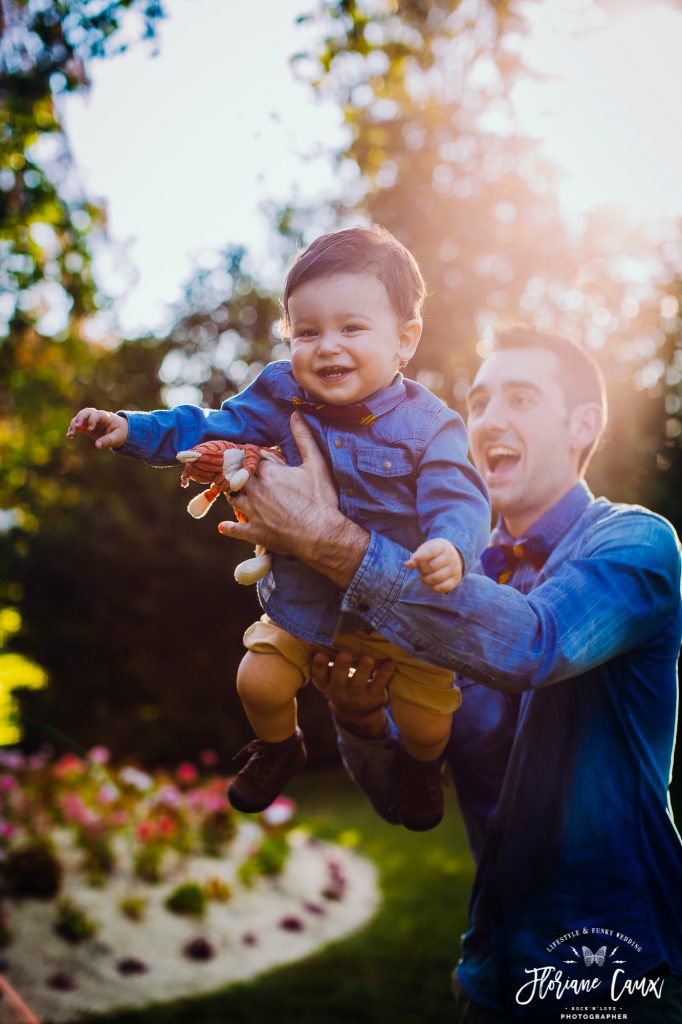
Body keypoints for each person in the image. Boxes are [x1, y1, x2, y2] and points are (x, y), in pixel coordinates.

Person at [217, 326, 682, 1020]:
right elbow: (405, 804)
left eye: (521, 398)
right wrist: (359, 718)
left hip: (617, 974)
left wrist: (325, 538)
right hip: (489, 977)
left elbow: (533, 645)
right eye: (481, 400)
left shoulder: (636, 544)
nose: (490, 418)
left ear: (583, 425)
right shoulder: (432, 575)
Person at [66, 225, 490, 830]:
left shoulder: (430, 425)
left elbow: (460, 496)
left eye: (352, 328)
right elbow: (211, 427)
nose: (326, 347)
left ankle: (422, 768)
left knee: (427, 723)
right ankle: (280, 746)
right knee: (258, 683)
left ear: (405, 339)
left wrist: (450, 544)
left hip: (402, 611)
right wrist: (132, 429)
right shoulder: (280, 394)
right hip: (307, 606)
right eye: (307, 331)